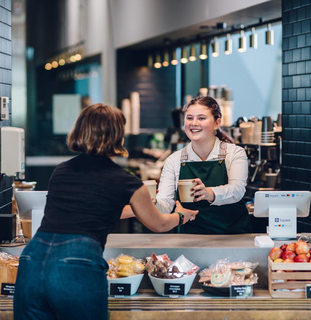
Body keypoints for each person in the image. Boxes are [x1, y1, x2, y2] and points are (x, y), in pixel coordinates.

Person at [13, 104, 198, 320]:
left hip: (32, 260)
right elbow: (158, 224)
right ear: (118, 136)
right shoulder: (126, 181)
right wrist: (183, 214)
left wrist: (136, 210)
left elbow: (95, 210)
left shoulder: (61, 170)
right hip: (77, 264)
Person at [156, 96, 251, 234]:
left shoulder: (235, 153)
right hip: (190, 240)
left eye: (201, 118)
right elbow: (165, 204)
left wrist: (208, 193)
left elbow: (237, 190)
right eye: (189, 118)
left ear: (217, 123)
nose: (194, 123)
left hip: (232, 238)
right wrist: (152, 203)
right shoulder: (174, 160)